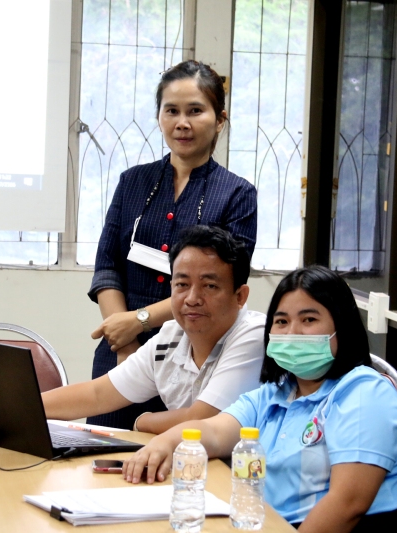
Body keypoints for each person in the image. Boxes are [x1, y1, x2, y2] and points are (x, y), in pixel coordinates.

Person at [122, 266, 397, 533]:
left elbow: (348, 504)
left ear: (342, 327)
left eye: (309, 319)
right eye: (281, 321)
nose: (293, 332)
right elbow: (211, 431)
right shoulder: (275, 394)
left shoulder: (364, 392)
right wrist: (164, 444)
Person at [87, 60, 258, 429]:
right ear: (159, 117)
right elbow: (107, 266)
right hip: (119, 346)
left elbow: (226, 281)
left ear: (219, 119)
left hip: (195, 349)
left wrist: (139, 321)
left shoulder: (237, 194)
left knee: (182, 451)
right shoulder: (132, 181)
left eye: (195, 111)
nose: (182, 123)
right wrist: (123, 337)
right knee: (101, 448)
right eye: (172, 111)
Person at [42, 226, 265, 434]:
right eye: (182, 285)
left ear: (240, 296)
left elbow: (201, 420)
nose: (192, 299)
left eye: (210, 286)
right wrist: (27, 405)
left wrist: (143, 421)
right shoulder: (170, 337)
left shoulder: (254, 335)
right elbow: (97, 394)